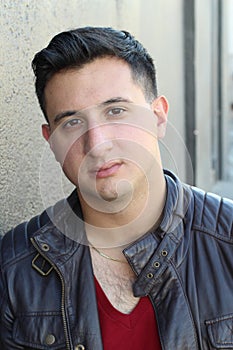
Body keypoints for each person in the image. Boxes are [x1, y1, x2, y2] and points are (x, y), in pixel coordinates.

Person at [0, 27, 233, 350]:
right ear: (51, 142)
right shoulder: (13, 266)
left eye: (116, 111)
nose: (97, 144)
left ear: (158, 117)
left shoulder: (227, 239)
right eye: (72, 122)